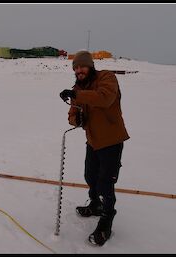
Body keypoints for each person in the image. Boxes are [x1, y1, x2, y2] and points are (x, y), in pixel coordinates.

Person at [59, 50, 130, 246]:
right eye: (76, 68)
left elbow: (105, 98)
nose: (79, 70)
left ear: (90, 66)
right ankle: (96, 204)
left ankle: (107, 217)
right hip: (93, 141)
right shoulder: (78, 87)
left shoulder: (107, 77)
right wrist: (76, 119)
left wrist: (77, 94)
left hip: (112, 140)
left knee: (105, 183)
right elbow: (72, 113)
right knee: (90, 176)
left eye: (82, 66)